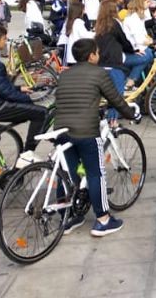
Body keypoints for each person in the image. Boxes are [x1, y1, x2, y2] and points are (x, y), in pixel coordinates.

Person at [54, 38, 140, 235]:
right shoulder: (99, 73)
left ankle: (69, 217)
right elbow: (116, 100)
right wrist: (131, 114)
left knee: (68, 173)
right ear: (92, 55)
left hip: (61, 130)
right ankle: (103, 219)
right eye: (97, 52)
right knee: (95, 173)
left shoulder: (65, 74)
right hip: (86, 131)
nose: (99, 55)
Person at [0, 23, 51, 170]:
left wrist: (19, 88)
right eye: (4, 39)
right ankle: (26, 156)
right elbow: (6, 93)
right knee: (40, 113)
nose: (6, 42)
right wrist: (27, 100)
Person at [93, 0, 135, 94]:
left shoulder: (99, 24)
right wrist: (133, 50)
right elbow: (123, 41)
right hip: (113, 61)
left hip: (101, 60)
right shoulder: (114, 23)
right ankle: (131, 80)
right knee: (145, 57)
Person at [121, 0, 154, 88]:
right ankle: (130, 81)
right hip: (128, 53)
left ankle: (131, 81)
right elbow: (139, 39)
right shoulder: (133, 19)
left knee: (148, 54)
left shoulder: (137, 18)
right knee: (148, 55)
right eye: (147, 1)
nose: (150, 3)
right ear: (140, 3)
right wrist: (151, 42)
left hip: (134, 49)